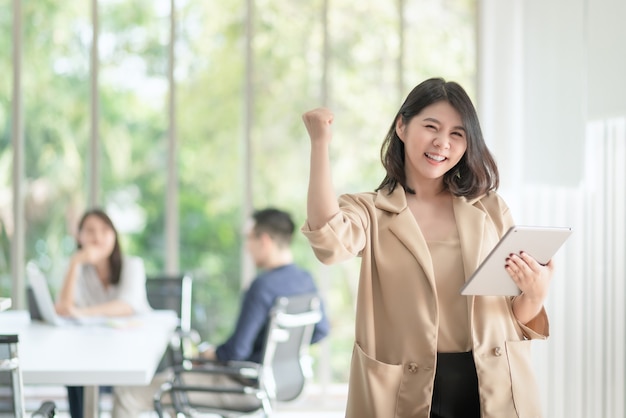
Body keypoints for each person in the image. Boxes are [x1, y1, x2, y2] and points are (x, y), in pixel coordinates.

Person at [301, 77, 552, 418]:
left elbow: (509, 314)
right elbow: (328, 244)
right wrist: (320, 143)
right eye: (431, 127)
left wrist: (534, 294)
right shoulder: (371, 211)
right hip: (405, 388)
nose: (441, 143)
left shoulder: (491, 209)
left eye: (456, 134)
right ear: (402, 126)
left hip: (491, 384)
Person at [112, 207, 330, 417]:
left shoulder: (262, 287)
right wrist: (273, 353)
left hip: (240, 388)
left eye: (249, 238)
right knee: (173, 391)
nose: (247, 246)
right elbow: (321, 330)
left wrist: (210, 354)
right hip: (275, 384)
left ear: (264, 240)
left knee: (126, 394)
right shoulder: (305, 280)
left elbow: (236, 353)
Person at [55, 208, 151, 418]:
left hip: (129, 355)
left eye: (105, 230)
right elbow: (63, 309)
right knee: (75, 376)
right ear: (79, 236)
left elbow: (126, 305)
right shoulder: (78, 269)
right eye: (89, 231)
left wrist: (81, 313)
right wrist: (75, 262)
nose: (97, 237)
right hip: (90, 353)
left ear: (114, 235)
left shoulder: (132, 266)